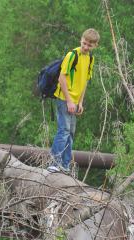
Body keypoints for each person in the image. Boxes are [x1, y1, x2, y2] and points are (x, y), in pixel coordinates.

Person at [48, 28, 100, 173]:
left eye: (89, 45)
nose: (86, 47)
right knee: (63, 130)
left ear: (95, 46)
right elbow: (62, 78)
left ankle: (65, 165)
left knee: (70, 133)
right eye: (84, 43)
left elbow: (84, 82)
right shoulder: (72, 55)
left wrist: (80, 102)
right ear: (81, 40)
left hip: (75, 101)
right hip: (64, 98)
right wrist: (70, 101)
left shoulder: (90, 59)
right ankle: (54, 162)